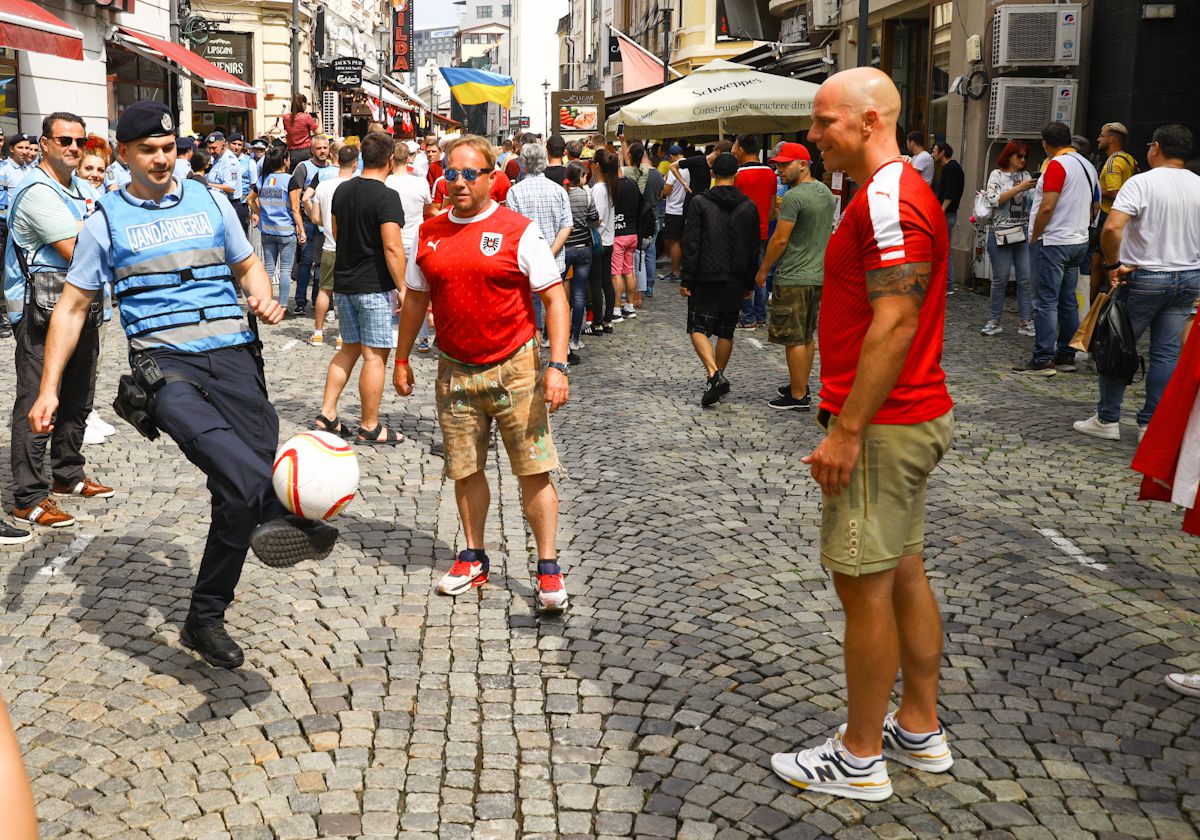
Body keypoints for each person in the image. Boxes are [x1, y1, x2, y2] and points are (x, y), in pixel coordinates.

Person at [30, 100, 338, 669]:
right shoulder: (104, 222)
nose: (161, 159)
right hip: (164, 364)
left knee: (233, 495)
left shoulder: (209, 199)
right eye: (147, 150)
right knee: (212, 445)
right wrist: (49, 389)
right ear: (123, 156)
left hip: (237, 360)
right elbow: (72, 308)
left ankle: (204, 617)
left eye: (168, 148)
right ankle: (280, 507)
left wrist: (263, 294)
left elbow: (246, 265)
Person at [771, 67, 954, 802]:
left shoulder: (888, 197)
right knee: (903, 572)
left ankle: (859, 756)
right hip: (905, 416)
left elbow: (897, 318)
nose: (813, 136)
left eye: (825, 121)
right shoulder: (896, 191)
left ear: (872, 120)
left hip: (881, 424)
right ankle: (920, 727)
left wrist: (846, 429)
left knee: (864, 588)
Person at [394, 134, 571, 611]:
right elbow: (415, 298)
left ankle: (549, 569)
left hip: (516, 367)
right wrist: (403, 357)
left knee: (533, 469)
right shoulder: (429, 234)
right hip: (455, 370)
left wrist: (557, 364)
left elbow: (554, 298)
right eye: (451, 173)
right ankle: (473, 556)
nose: (458, 182)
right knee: (464, 468)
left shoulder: (519, 230)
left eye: (470, 173)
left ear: (493, 178)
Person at [3, 112, 110, 532]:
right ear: (44, 143)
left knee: (79, 394)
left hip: (82, 304)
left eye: (79, 142)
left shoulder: (81, 186)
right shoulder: (35, 191)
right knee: (37, 401)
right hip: (40, 311)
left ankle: (67, 474)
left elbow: (105, 230)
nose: (72, 147)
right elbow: (78, 249)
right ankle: (28, 497)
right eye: (64, 140)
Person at [1073, 124, 1200, 442]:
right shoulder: (1198, 185)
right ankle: (1150, 423)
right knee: (1166, 354)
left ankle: (1108, 418)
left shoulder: (1140, 183)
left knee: (1118, 345)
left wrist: (1113, 265)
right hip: (1187, 277)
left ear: (1156, 147)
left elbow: (1112, 228)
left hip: (1144, 276)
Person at [314, 131, 407, 445]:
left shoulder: (342, 191)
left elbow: (337, 234)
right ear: (390, 160)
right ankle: (370, 425)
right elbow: (392, 247)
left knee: (348, 349)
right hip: (373, 285)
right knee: (374, 356)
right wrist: (403, 287)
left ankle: (327, 413)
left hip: (345, 282)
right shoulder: (386, 196)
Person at [1013, 121, 1100, 376]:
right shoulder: (1087, 166)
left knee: (1045, 301)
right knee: (1068, 301)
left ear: (1045, 143)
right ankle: (1066, 356)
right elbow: (1096, 206)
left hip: (1053, 242)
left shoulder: (1057, 165)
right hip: (1077, 241)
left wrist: (1035, 235)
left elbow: (1047, 206)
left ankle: (1042, 358)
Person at [755, 142, 835, 410]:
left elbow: (779, 240)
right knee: (806, 335)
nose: (779, 169)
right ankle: (800, 383)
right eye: (777, 164)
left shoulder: (793, 197)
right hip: (817, 275)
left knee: (793, 338)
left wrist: (763, 270)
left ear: (803, 164)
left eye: (784, 164)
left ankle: (798, 395)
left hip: (794, 276)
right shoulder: (823, 191)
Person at [679, 153, 759, 407]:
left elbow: (691, 243)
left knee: (697, 327)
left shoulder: (700, 202)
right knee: (726, 332)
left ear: (712, 173)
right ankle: (717, 377)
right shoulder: (749, 206)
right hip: (735, 276)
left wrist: (686, 278)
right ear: (736, 174)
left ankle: (714, 375)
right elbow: (753, 247)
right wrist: (749, 282)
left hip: (705, 275)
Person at [507, 143, 574, 343]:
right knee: (555, 302)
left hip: (526, 261)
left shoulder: (515, 192)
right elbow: (567, 226)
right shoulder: (558, 190)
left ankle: (534, 348)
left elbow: (513, 230)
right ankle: (560, 347)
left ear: (524, 165)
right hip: (555, 259)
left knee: (532, 306)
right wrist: (551, 251)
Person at [306, 144, 359, 349]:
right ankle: (342, 335)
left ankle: (318, 333)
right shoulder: (356, 185)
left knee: (324, 290)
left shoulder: (324, 185)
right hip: (350, 247)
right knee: (346, 294)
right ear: (355, 164)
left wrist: (309, 206)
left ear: (336, 159)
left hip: (329, 244)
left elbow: (317, 219)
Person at [733, 133, 779, 329]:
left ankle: (748, 316)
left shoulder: (738, 175)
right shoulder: (771, 173)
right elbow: (772, 206)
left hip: (742, 232)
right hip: (763, 229)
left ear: (741, 149)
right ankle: (760, 316)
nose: (734, 151)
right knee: (760, 272)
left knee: (743, 274)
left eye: (735, 147)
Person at [1089, 122, 1139, 296]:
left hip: (1110, 216)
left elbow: (1114, 191)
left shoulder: (1114, 162)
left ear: (1112, 139)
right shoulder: (1129, 159)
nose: (1098, 139)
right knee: (1098, 262)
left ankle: (1100, 307)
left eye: (1101, 135)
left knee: (1106, 264)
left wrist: (1093, 190)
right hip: (1123, 218)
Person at [248, 145, 297, 309]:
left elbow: (250, 200)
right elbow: (295, 208)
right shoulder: (290, 180)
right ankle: (282, 305)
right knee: (285, 271)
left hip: (267, 230)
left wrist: (260, 214)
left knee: (268, 269)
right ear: (285, 161)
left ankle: (266, 301)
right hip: (286, 231)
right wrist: (301, 229)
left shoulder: (262, 180)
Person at [289, 135, 333, 315]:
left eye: (325, 148)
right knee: (306, 262)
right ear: (312, 150)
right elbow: (296, 198)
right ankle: (300, 300)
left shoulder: (331, 169)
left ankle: (318, 299)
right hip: (307, 223)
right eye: (319, 148)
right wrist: (299, 226)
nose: (323, 151)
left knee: (322, 265)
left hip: (326, 223)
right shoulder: (303, 168)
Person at [0, 133, 37, 339]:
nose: (25, 151)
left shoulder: (30, 170)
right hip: (6, 227)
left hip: (27, 228)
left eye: (27, 147)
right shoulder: (4, 170)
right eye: (21, 147)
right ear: (12, 149)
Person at [562, 161, 599, 352]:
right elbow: (594, 217)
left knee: (559, 293)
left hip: (564, 247)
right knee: (579, 294)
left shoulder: (563, 194)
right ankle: (575, 338)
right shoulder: (586, 194)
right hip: (584, 247)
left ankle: (553, 333)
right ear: (581, 177)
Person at [932, 141, 964, 294]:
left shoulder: (951, 168)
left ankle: (947, 284)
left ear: (942, 152)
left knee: (943, 249)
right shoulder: (952, 168)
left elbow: (949, 193)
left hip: (947, 214)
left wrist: (941, 211)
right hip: (949, 213)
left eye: (935, 151)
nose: (932, 154)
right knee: (945, 248)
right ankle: (947, 283)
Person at [661, 145, 690, 285]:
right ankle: (683, 270)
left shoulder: (674, 168)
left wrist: (662, 191)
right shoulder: (690, 167)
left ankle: (676, 271)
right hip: (685, 208)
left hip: (673, 209)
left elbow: (667, 190)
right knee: (683, 241)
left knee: (674, 242)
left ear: (672, 157)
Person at [204, 132, 244, 210]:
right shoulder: (216, 157)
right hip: (217, 202)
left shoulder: (229, 161)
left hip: (230, 204)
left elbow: (230, 188)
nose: (211, 151)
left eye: (214, 148)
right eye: (209, 148)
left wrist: (207, 185)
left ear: (223, 145)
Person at [228, 132, 258, 234]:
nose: (236, 147)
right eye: (234, 144)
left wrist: (255, 211)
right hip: (226, 203)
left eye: (239, 145)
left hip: (243, 205)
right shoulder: (221, 160)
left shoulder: (249, 162)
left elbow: (254, 188)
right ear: (228, 144)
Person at [282, 93, 321, 166]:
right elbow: (318, 132)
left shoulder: (285, 118)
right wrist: (320, 118)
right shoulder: (306, 117)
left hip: (292, 152)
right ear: (303, 104)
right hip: (306, 150)